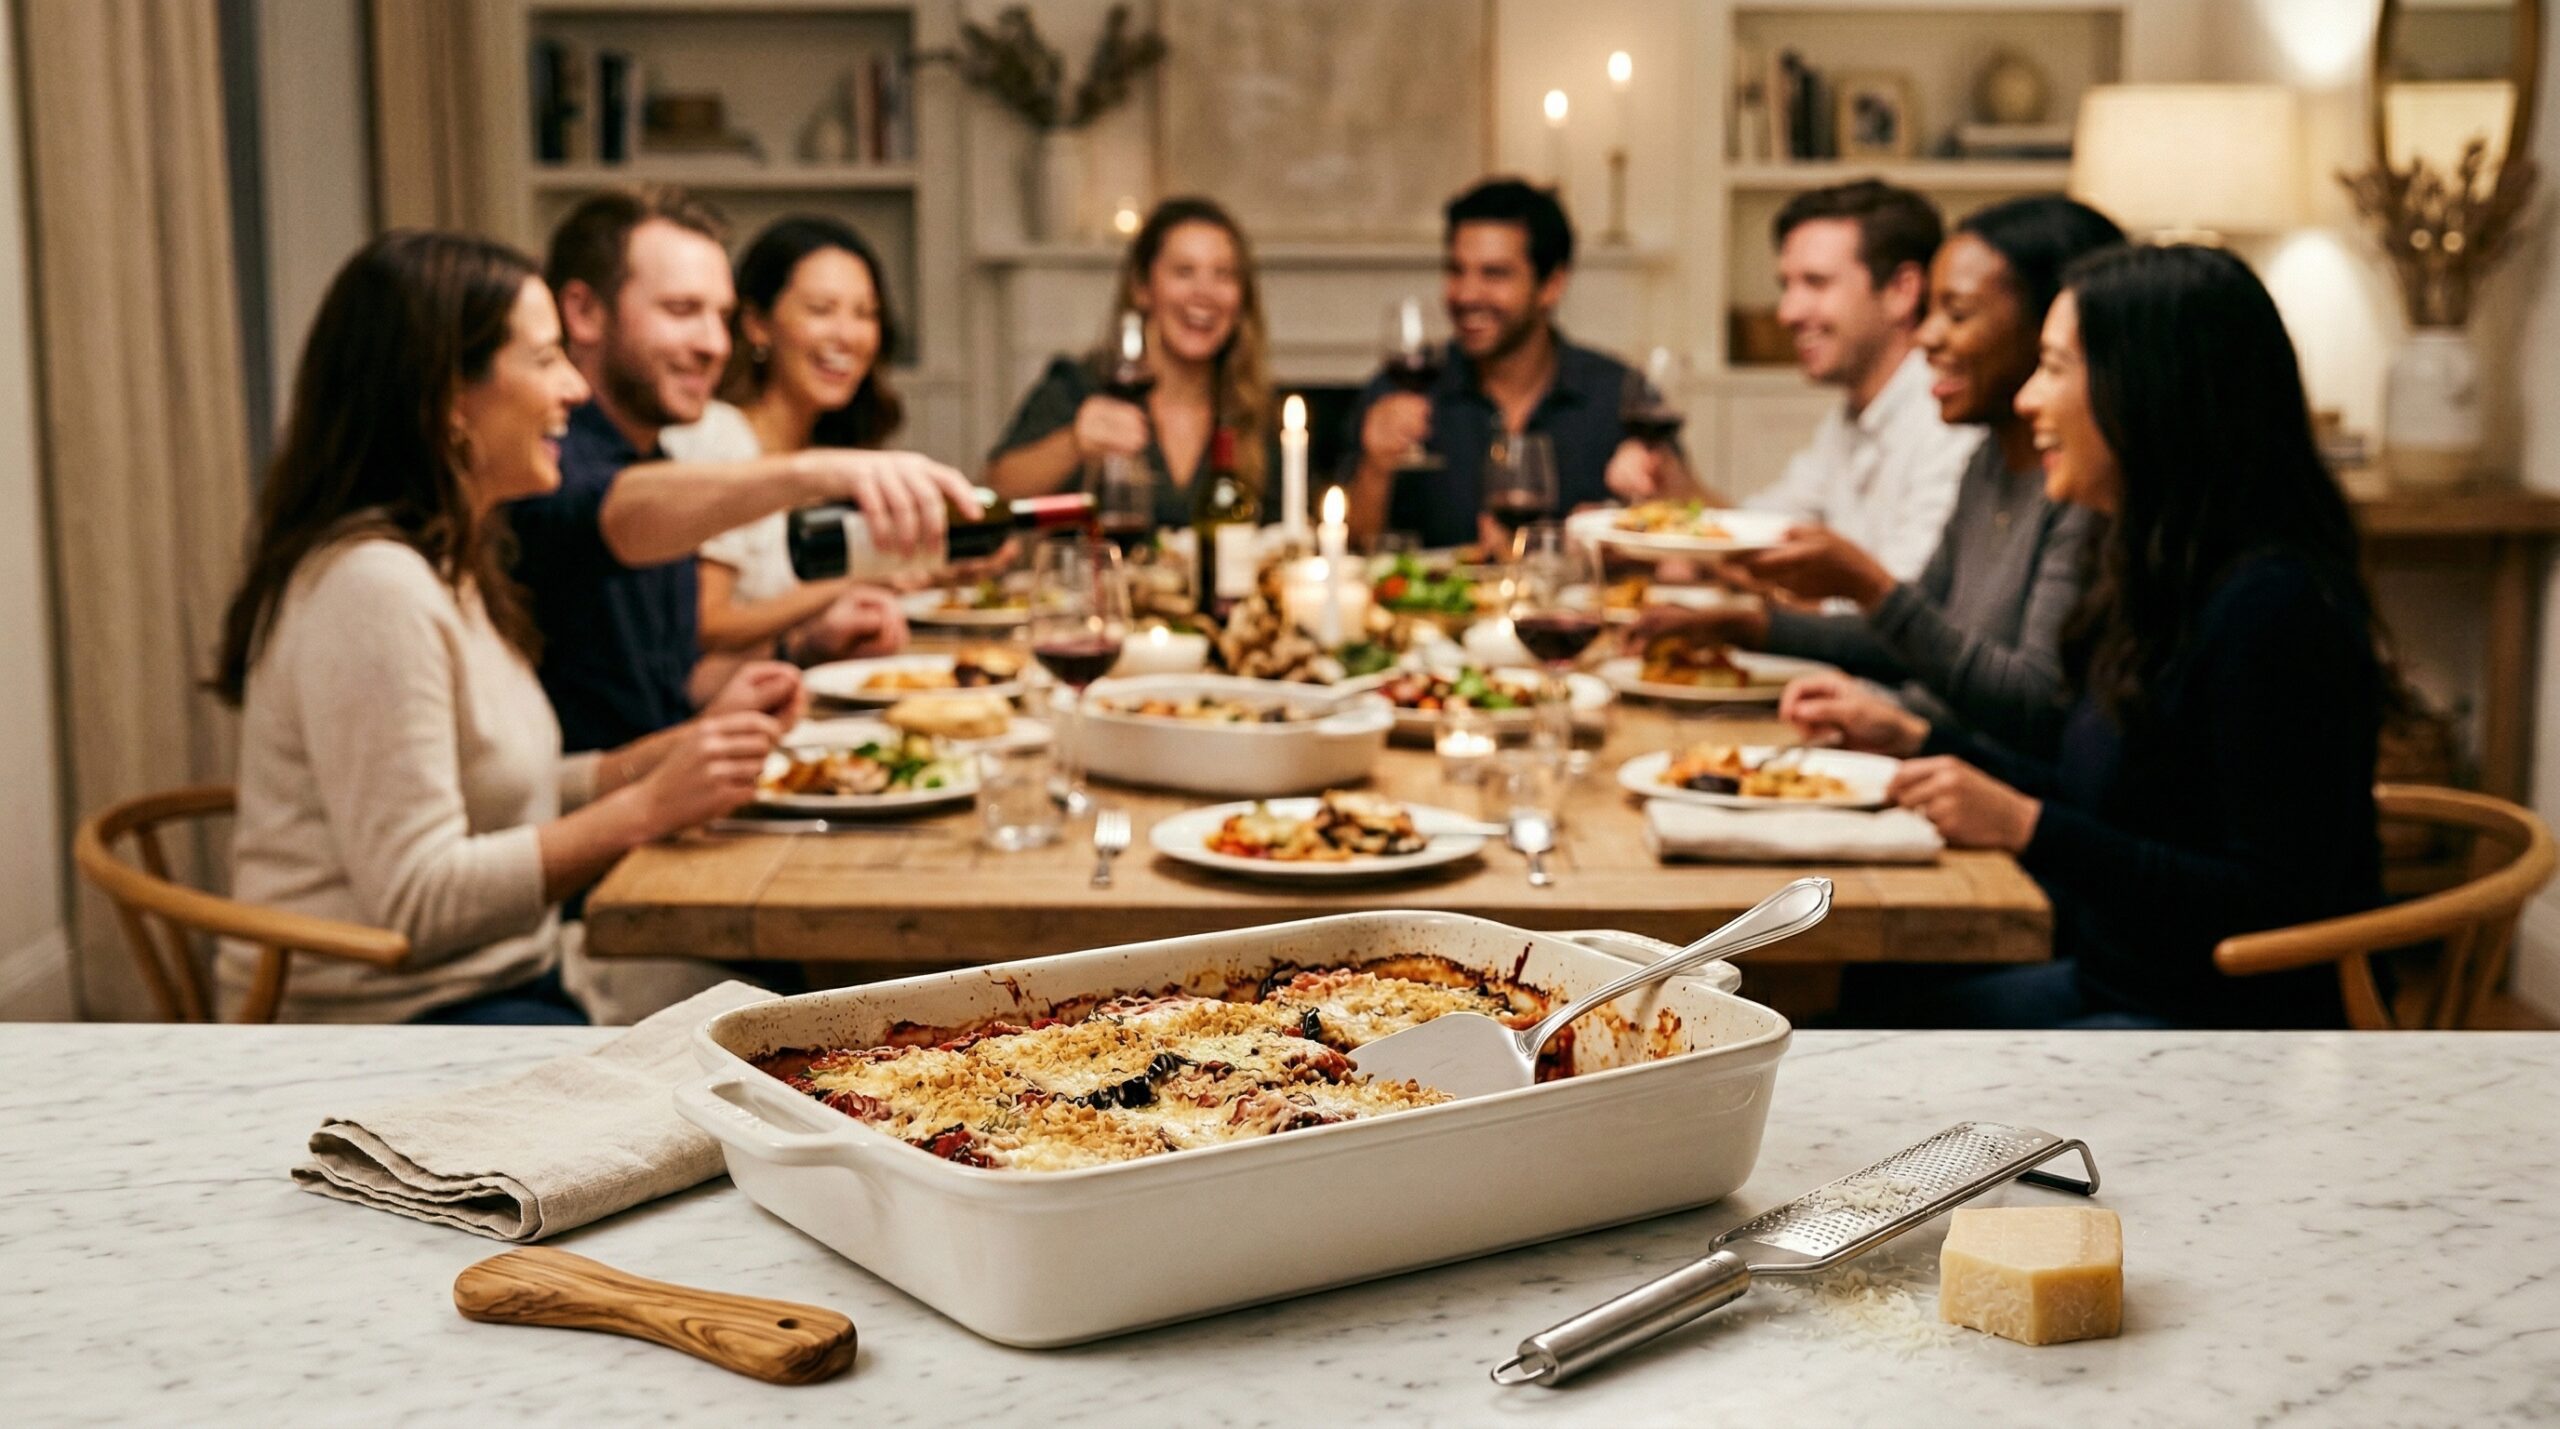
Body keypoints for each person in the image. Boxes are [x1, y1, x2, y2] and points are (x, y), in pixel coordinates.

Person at [1788, 244, 2384, 1029]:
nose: (2031, 397)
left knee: (1850, 1051)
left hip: (2219, 1034)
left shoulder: (2273, 607)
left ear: (2150, 390)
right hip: (2117, 983)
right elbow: (2110, 800)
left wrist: (2028, 827)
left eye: (2057, 368)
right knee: (1845, 1016)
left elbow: (2269, 900)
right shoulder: (2152, 568)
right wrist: (1917, 737)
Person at [214, 232, 782, 1024]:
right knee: (764, 1047)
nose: (573, 391)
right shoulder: (373, 587)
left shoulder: (449, 561)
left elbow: (495, 793)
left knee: (781, 1008)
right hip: (390, 1020)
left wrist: (674, 755)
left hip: (501, 978)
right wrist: (648, 806)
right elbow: (419, 897)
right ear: (450, 397)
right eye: (546, 359)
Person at [508, 185, 975, 754]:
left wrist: (804, 648)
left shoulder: (656, 456)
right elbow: (605, 510)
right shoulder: (548, 461)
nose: (713, 344)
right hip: (604, 822)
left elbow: (676, 685)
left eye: (720, 316)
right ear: (584, 312)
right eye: (682, 311)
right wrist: (813, 473)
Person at [1643, 195, 2120, 752]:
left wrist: (1869, 588)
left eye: (1957, 315)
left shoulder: (2078, 490)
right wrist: (1751, 627)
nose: (1926, 337)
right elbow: (1911, 637)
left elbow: (2034, 704)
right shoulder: (1986, 463)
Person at [1343, 178, 1690, 549]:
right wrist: (1375, 468)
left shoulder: (1616, 392)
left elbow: (1698, 525)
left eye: (1495, 274)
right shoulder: (1396, 392)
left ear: (1552, 285)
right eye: (1457, 270)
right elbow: (1347, 547)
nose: (1466, 294)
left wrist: (1664, 485)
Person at [663, 215, 912, 664]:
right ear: (757, 323)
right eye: (821, 310)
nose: (847, 335)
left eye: (864, 313)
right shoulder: (722, 438)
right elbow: (706, 623)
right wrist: (856, 580)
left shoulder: (824, 449)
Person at [985, 196, 1273, 529]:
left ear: (1241, 299)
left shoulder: (1253, 411)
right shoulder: (1081, 385)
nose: (1204, 291)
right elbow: (994, 493)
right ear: (1142, 288)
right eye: (1184, 272)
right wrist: (1074, 443)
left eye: (1223, 275)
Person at [1741, 180, 1977, 582]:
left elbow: (1902, 607)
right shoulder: (1852, 413)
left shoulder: (1947, 419)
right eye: (1787, 286)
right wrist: (1669, 487)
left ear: (1901, 291)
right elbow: (1765, 526)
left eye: (1816, 283)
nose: (1787, 313)